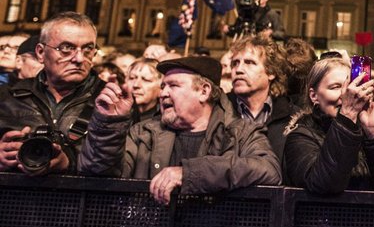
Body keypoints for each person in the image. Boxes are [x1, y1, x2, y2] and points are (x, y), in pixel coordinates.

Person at [78, 56, 281, 204]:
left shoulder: (241, 133)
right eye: (163, 85)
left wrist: (190, 174)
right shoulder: (143, 134)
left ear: (203, 91)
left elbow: (268, 170)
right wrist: (108, 124)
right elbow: (98, 170)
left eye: (173, 86)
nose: (163, 93)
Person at [282, 56, 374, 193]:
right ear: (314, 96)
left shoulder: (368, 132)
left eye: (350, 87)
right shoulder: (302, 135)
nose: (346, 94)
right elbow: (324, 185)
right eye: (336, 87)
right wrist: (347, 116)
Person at [0, 13, 105, 175]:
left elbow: (119, 164)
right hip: (14, 198)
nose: (79, 58)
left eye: (88, 49)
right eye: (66, 48)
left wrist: (68, 162)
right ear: (41, 53)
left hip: (80, 198)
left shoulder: (111, 102)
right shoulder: (8, 98)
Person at [227, 35, 298, 159]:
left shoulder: (294, 119)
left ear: (271, 72)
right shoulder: (218, 110)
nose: (238, 70)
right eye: (235, 63)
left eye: (249, 62)